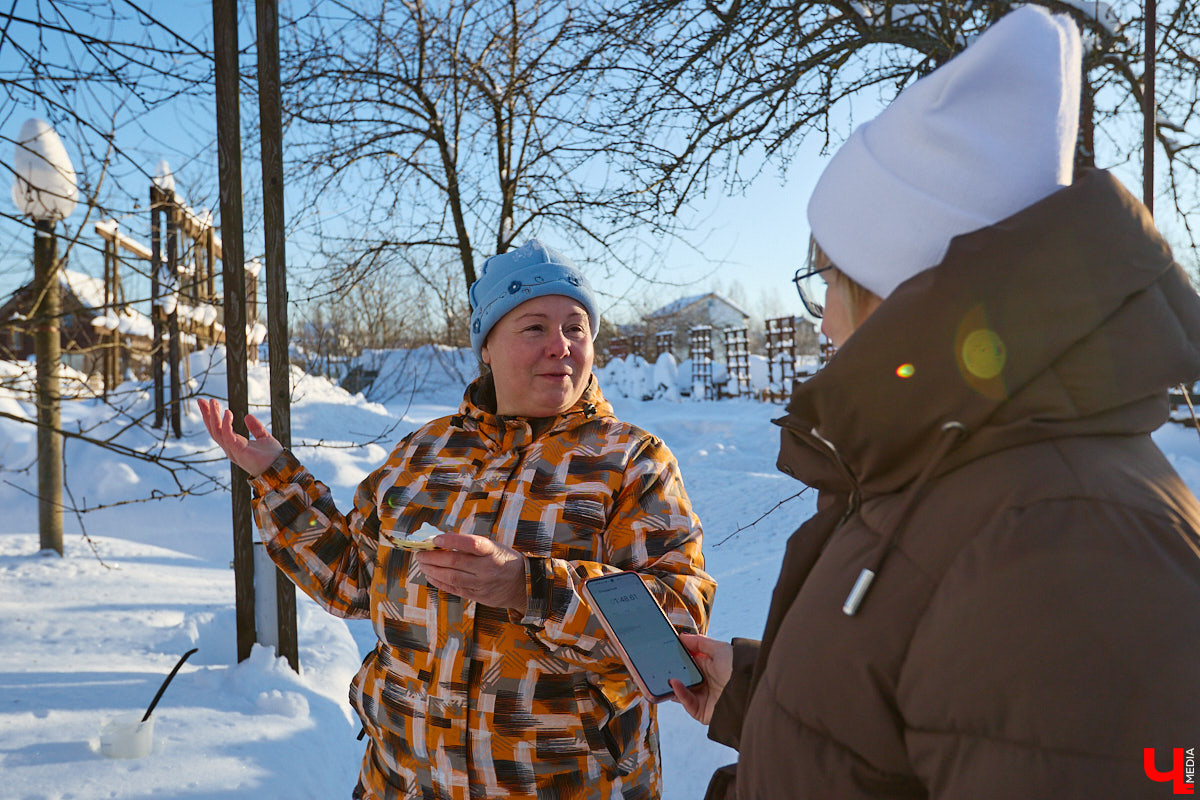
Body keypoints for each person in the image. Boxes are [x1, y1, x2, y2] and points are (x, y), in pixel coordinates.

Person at [669, 7, 1200, 799]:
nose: (822, 320)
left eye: (830, 284)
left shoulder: (1067, 540)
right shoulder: (951, 469)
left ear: (898, 291)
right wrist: (751, 692)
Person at [200, 238, 715, 800]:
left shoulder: (632, 463)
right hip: (403, 781)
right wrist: (277, 478)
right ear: (487, 347)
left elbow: (677, 627)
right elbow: (353, 582)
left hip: (567, 783)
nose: (560, 347)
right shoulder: (425, 453)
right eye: (535, 327)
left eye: (576, 327)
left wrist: (529, 587)